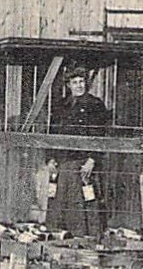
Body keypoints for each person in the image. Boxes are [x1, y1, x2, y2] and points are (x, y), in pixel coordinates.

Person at [47, 68, 110, 236]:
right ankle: (61, 235)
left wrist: (92, 159)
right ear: (68, 85)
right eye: (75, 82)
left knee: (86, 198)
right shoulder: (62, 105)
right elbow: (52, 132)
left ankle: (87, 235)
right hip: (63, 161)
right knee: (60, 198)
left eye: (81, 81)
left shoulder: (95, 104)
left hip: (83, 162)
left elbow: (100, 134)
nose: (79, 86)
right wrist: (50, 158)